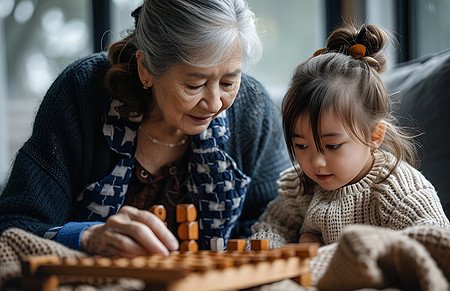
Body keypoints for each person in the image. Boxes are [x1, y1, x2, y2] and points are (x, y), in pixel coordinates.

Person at [0, 0, 291, 257]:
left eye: (229, 82)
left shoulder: (251, 108)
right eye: (195, 84)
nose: (215, 103)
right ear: (146, 68)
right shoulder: (82, 93)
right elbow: (14, 226)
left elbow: (276, 222)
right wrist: (87, 237)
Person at [249, 23, 450, 249]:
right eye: (301, 145)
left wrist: (320, 254)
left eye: (332, 146)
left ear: (374, 136)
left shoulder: (399, 190)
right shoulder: (301, 186)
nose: (316, 161)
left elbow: (438, 245)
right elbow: (271, 227)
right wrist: (280, 251)